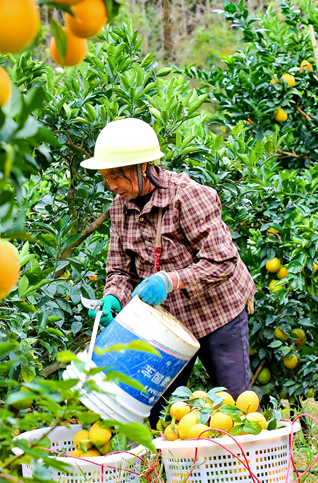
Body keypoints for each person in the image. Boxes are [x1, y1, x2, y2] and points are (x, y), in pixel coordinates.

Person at [80, 118, 256, 428]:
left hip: (218, 312)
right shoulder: (120, 207)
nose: (112, 186)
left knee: (233, 407)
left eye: (116, 177)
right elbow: (120, 268)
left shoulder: (187, 196)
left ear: (143, 167)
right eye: (106, 178)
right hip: (167, 328)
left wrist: (172, 279)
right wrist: (113, 297)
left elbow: (223, 261)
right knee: (164, 415)